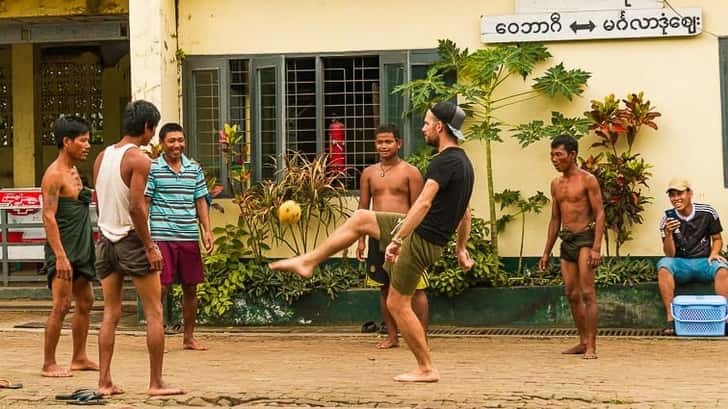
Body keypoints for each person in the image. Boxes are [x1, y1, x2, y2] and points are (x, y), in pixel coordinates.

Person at [271, 101, 475, 382]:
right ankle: (309, 261)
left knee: (397, 303)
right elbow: (466, 211)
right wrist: (461, 248)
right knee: (362, 218)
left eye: (427, 123)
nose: (423, 128)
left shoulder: (444, 161)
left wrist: (398, 239)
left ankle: (426, 368)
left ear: (440, 127)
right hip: (426, 236)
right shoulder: (463, 162)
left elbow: (424, 203)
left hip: (422, 238)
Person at [93, 100, 184, 396]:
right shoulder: (138, 160)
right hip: (131, 239)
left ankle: (104, 381)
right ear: (147, 127)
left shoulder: (101, 157)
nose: (152, 134)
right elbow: (135, 207)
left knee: (110, 313)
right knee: (154, 311)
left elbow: (103, 199)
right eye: (153, 129)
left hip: (105, 240)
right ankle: (156, 382)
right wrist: (149, 246)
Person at [356, 123, 429, 349]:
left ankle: (421, 339)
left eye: (388, 141)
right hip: (377, 233)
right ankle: (391, 336)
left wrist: (414, 237)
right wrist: (360, 239)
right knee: (384, 287)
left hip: (404, 235)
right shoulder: (368, 173)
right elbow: (363, 207)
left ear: (399, 143)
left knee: (416, 288)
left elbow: (419, 206)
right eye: (380, 142)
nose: (384, 146)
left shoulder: (411, 172)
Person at [145, 123, 213, 350]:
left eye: (180, 140)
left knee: (191, 287)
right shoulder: (153, 168)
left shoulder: (194, 168)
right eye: (172, 140)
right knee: (160, 288)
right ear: (162, 143)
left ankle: (189, 337)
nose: (177, 145)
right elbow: (145, 203)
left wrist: (207, 231)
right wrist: (144, 237)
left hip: (188, 236)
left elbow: (201, 201)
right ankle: (157, 336)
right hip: (161, 236)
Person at [40, 116, 98, 377]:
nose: (87, 145)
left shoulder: (75, 171)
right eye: (82, 140)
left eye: (88, 140)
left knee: (86, 301)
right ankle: (48, 363)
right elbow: (48, 216)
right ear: (67, 141)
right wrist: (60, 256)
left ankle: (79, 357)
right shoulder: (54, 175)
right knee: (61, 305)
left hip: (82, 246)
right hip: (63, 249)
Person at [539, 135, 604, 360]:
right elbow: (555, 218)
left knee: (587, 292)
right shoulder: (556, 184)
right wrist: (546, 251)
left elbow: (600, 213)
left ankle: (592, 346)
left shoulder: (588, 180)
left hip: (585, 238)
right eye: (552, 155)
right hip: (567, 242)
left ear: (573, 155)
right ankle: (582, 340)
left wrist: (596, 247)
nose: (554, 159)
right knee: (572, 293)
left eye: (559, 155)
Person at [657, 178, 728, 335]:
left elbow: (717, 239)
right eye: (672, 195)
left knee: (722, 268)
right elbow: (670, 254)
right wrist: (668, 234)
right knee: (663, 266)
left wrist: (715, 253)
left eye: (680, 193)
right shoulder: (665, 220)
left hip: (704, 262)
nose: (676, 198)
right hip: (680, 263)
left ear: (690, 193)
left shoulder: (707, 212)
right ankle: (671, 319)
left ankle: (725, 319)